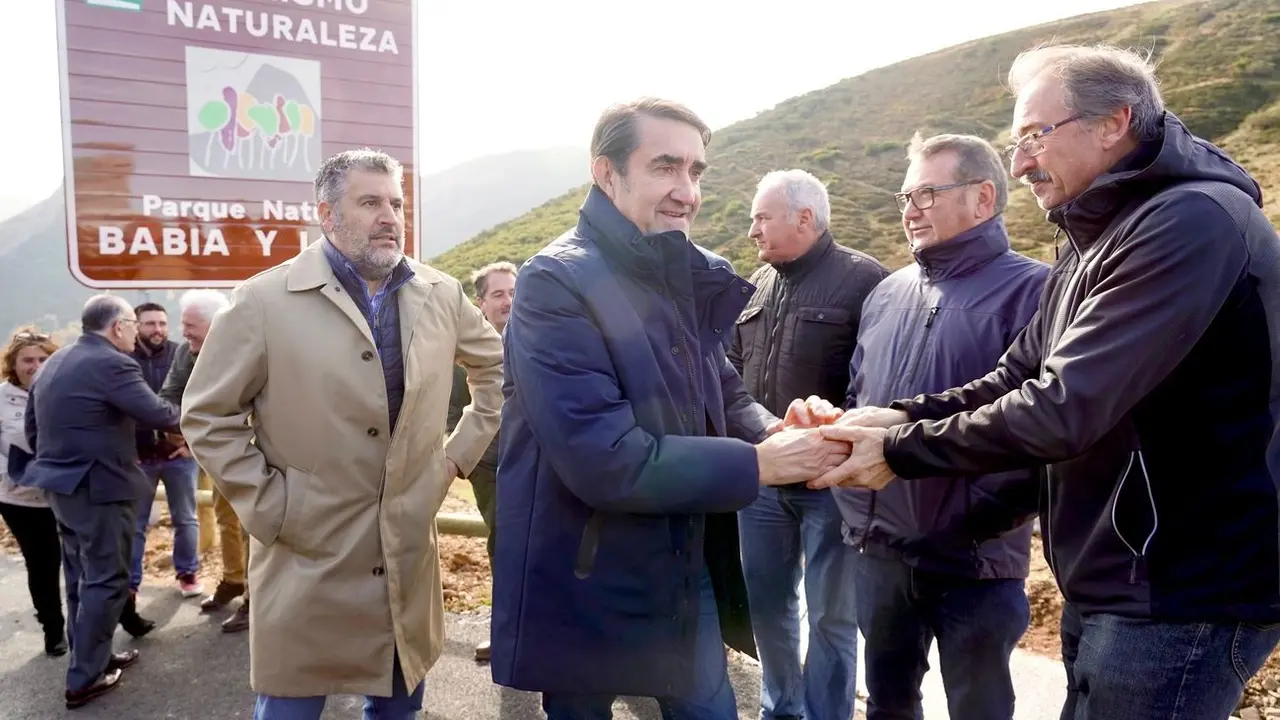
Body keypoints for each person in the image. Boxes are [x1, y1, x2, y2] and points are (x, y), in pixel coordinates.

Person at [814, 44, 1280, 719]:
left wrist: (897, 452)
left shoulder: (1190, 222)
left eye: (1035, 135)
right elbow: (1016, 374)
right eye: (1016, 142)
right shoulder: (1092, 241)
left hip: (1182, 589)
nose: (1019, 163)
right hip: (1115, 579)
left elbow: (1062, 407)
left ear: (1113, 123)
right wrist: (895, 417)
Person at [491, 97, 850, 720]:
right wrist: (762, 463)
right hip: (587, 573)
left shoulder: (685, 271)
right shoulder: (555, 282)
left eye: (695, 170)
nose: (687, 191)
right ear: (607, 173)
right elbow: (604, 457)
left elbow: (723, 391)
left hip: (683, 564)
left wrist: (777, 428)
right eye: (665, 167)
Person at [181, 147, 504, 720]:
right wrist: (274, 506)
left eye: (396, 203)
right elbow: (208, 416)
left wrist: (454, 460)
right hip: (307, 552)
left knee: (399, 705)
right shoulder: (262, 301)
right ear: (327, 214)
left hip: (406, 549)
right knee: (290, 708)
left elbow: (497, 372)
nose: (390, 216)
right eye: (370, 202)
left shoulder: (441, 293)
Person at [835, 132, 1049, 720]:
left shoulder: (1037, 291)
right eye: (905, 196)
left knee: (978, 710)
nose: (910, 210)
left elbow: (1042, 428)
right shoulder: (886, 292)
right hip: (879, 552)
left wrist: (974, 522)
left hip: (974, 564)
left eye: (926, 194)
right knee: (887, 705)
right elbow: (859, 395)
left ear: (983, 198)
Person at [729, 168, 886, 720]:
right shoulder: (757, 284)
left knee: (831, 617)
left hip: (831, 482)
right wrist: (763, 435)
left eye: (762, 218)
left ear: (804, 218)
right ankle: (780, 708)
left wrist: (835, 434)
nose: (753, 230)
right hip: (764, 479)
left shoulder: (867, 281)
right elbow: (732, 372)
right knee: (768, 605)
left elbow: (878, 379)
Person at [24, 295, 182, 709]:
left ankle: (92, 657)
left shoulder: (56, 361)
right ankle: (84, 679)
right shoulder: (112, 363)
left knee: (82, 578)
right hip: (100, 488)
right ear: (117, 327)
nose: (136, 333)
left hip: (61, 486)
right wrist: (205, 411)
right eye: (132, 325)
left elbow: (32, 427)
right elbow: (159, 413)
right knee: (107, 579)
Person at [158, 289, 249, 632]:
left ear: (217, 324)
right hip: (215, 451)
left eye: (191, 325)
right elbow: (170, 394)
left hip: (250, 450)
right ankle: (234, 579)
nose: (184, 332)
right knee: (226, 518)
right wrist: (180, 431)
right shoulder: (186, 352)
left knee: (251, 525)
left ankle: (255, 597)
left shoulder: (245, 349)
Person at [446, 260, 516, 663]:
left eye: (513, 292)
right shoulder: (467, 349)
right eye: (499, 294)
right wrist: (465, 459)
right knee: (503, 542)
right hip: (491, 465)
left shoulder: (542, 337)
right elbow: (453, 409)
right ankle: (505, 633)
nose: (508, 301)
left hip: (543, 462)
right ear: (481, 302)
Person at [129, 301, 202, 600]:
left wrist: (190, 444)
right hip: (138, 457)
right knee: (136, 523)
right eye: (149, 324)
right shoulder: (123, 358)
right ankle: (131, 583)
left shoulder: (182, 353)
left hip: (179, 456)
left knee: (186, 519)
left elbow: (199, 400)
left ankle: (188, 574)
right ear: (136, 326)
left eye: (161, 323)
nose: (157, 329)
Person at [0, 327, 65, 656]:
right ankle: (53, 630)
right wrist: (10, 476)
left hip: (64, 493)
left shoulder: (62, 391)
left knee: (87, 560)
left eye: (43, 358)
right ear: (13, 364)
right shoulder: (1, 398)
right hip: (19, 499)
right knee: (42, 564)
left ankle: (111, 623)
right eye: (27, 360)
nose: (36, 365)